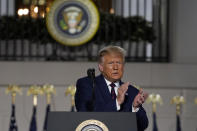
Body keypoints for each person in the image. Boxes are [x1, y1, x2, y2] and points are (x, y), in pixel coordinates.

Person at [75, 45, 148, 131]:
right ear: (101, 67)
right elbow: (84, 114)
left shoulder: (132, 91)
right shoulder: (88, 85)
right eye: (111, 63)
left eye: (119, 63)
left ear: (123, 66)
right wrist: (117, 102)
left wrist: (135, 108)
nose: (115, 67)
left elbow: (143, 125)